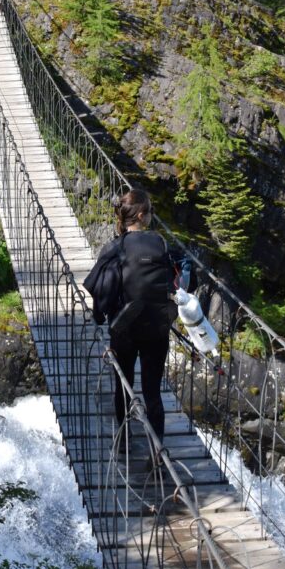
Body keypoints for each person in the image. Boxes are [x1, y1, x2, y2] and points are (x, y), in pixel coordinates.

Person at [84, 189, 190, 450]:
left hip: (125, 329)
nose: (153, 215)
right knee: (153, 390)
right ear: (142, 216)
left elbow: (102, 288)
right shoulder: (161, 244)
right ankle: (157, 449)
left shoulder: (114, 248)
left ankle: (122, 439)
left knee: (124, 385)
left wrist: (101, 317)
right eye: (151, 211)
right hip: (157, 328)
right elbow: (181, 276)